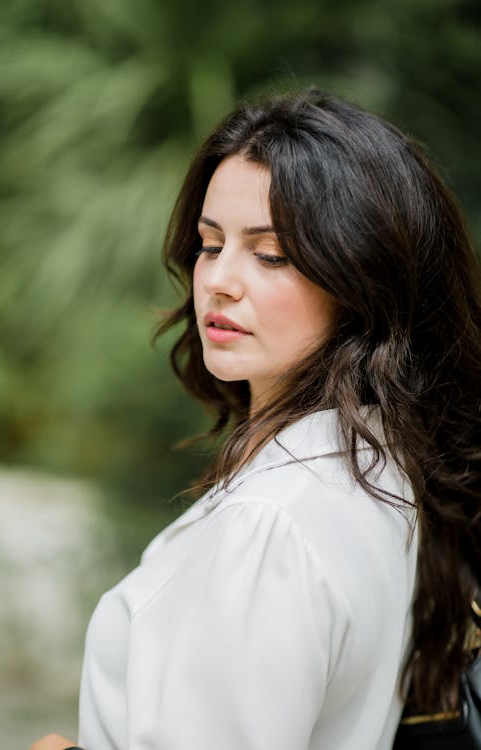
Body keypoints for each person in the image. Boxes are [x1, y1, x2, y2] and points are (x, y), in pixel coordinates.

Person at [30, 88, 481, 750]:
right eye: (211, 245)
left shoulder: (272, 524)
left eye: (270, 254)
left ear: (361, 278)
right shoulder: (381, 464)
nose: (219, 280)